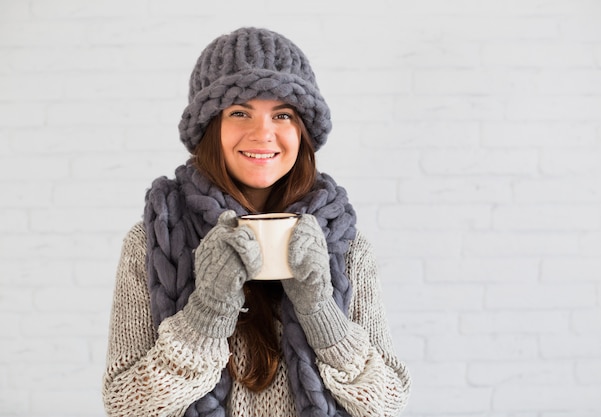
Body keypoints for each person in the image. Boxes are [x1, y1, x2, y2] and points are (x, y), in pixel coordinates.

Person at [102, 26, 411, 417]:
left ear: (302, 132)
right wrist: (206, 314)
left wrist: (321, 312)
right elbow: (125, 405)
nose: (263, 133)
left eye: (282, 114)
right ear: (210, 128)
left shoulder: (346, 245)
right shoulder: (155, 240)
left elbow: (387, 403)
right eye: (240, 112)